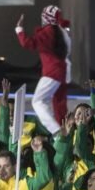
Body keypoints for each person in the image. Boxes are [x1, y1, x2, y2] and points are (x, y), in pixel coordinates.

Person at [15, 7, 71, 135]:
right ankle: (63, 131)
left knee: (37, 101)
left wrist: (19, 29)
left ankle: (56, 131)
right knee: (59, 105)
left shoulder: (48, 32)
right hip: (61, 72)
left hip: (52, 72)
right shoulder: (61, 32)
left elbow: (27, 43)